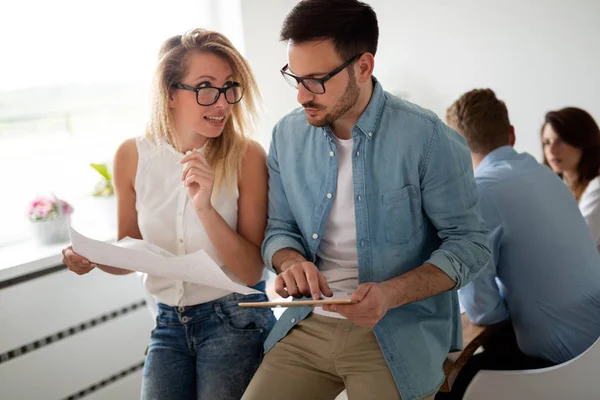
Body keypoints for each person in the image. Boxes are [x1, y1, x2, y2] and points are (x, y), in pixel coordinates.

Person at [241, 1, 490, 400]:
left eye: (317, 80)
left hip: (396, 332)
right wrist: (290, 262)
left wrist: (389, 294)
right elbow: (279, 230)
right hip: (307, 325)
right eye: (295, 77)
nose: (303, 95)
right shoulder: (286, 136)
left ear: (363, 67)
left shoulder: (428, 138)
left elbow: (471, 245)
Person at [61, 29, 275, 400]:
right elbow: (133, 251)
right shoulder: (132, 155)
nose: (222, 102)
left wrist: (204, 206)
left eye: (229, 87)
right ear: (171, 93)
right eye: (206, 87)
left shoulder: (247, 156)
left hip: (236, 318)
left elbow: (251, 271)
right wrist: (94, 258)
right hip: (168, 321)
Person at [442, 89, 600, 399]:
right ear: (512, 134)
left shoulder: (478, 192)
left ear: (455, 147)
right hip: (594, 345)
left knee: (451, 382)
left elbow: (482, 310)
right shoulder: (546, 176)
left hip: (567, 365)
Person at [541, 107, 600, 251]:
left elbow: (577, 244)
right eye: (546, 142)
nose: (551, 150)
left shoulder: (597, 187)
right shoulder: (559, 189)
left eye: (560, 140)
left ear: (583, 142)